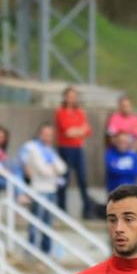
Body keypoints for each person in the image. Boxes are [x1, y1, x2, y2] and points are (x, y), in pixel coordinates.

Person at [19, 124, 67, 254]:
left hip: (51, 190)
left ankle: (45, 251)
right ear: (39, 134)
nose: (48, 137)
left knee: (48, 223)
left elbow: (63, 168)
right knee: (35, 222)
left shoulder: (50, 150)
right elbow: (43, 170)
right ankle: (31, 251)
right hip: (38, 190)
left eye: (50, 135)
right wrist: (53, 169)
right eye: (45, 134)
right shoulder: (33, 148)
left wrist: (51, 167)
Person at [54, 86, 94, 218]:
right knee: (64, 179)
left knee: (83, 179)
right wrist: (80, 130)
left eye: (74, 96)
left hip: (78, 148)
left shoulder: (79, 111)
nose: (72, 99)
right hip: (65, 148)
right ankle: (61, 208)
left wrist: (77, 131)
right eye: (69, 96)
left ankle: (87, 209)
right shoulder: (61, 111)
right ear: (65, 97)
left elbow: (87, 130)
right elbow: (67, 132)